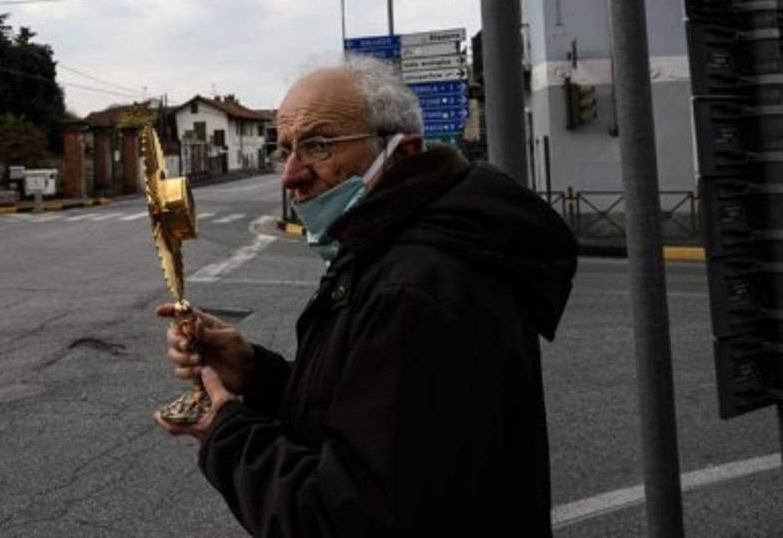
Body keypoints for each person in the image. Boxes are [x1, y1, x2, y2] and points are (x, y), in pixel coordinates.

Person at [155, 57, 577, 536]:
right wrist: (256, 371)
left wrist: (225, 431)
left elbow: (346, 517)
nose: (291, 176)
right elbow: (369, 417)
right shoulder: (393, 251)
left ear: (401, 153)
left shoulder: (415, 286)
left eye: (318, 146)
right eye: (285, 149)